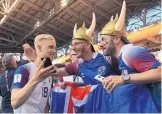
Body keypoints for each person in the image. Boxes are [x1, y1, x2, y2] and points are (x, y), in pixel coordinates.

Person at [100, 1, 161, 112]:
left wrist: (124, 79)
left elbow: (160, 73)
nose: (100, 44)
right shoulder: (119, 58)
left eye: (104, 40)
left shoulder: (130, 52)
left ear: (117, 39)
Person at [11, 34, 57, 113]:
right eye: (50, 47)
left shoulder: (49, 74)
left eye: (55, 48)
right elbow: (14, 103)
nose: (54, 51)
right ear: (39, 48)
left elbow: (45, 103)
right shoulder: (24, 69)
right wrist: (36, 80)